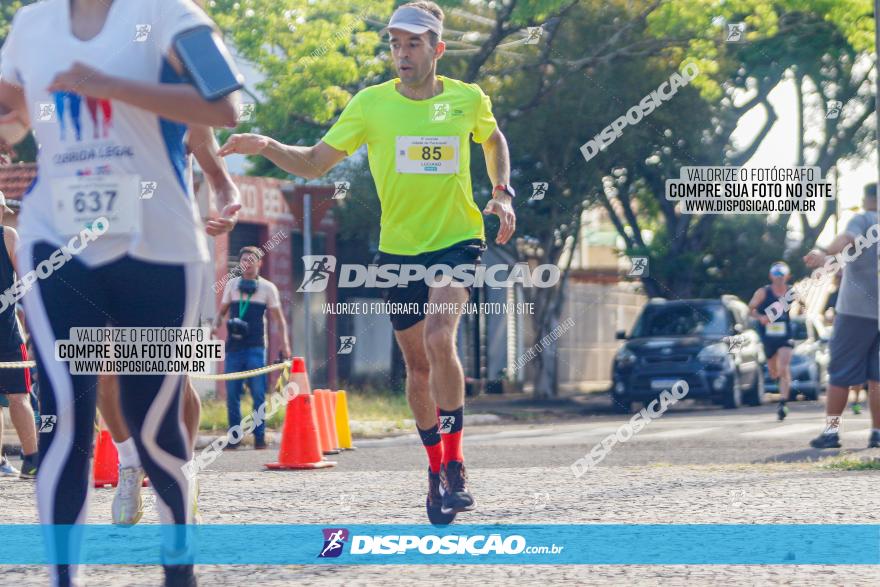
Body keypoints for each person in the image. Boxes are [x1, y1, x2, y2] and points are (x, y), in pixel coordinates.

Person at [219, 1, 515, 523]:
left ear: (437, 49)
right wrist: (266, 143)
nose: (401, 53)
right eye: (396, 44)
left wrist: (502, 192)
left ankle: (456, 463)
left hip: (457, 239)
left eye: (414, 44)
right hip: (398, 250)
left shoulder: (467, 100)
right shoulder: (371, 105)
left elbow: (493, 139)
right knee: (418, 368)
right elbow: (313, 161)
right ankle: (433, 468)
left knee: (439, 338)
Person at [0, 0, 241, 585]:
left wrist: (107, 83)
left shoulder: (168, 15)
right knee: (65, 417)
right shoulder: (32, 23)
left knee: (153, 425)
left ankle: (178, 568)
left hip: (159, 244)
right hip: (56, 238)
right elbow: (10, 117)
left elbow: (224, 104)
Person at [100, 123, 241, 526]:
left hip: (173, 253)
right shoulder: (101, 109)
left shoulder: (184, 110)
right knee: (104, 369)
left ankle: (184, 467)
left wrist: (229, 205)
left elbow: (220, 178)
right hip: (110, 251)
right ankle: (130, 464)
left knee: (172, 376)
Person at [804, 183, 880, 449]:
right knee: (877, 377)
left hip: (856, 312)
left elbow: (847, 239)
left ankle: (831, 432)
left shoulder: (864, 218)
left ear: (867, 198)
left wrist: (824, 252)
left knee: (840, 374)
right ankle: (877, 433)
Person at [213, 246, 290, 450]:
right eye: (244, 259)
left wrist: (285, 346)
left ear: (259, 263)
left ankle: (259, 437)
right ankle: (234, 438)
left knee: (258, 394)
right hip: (233, 348)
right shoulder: (231, 285)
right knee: (232, 394)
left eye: (252, 259)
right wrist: (215, 325)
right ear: (240, 263)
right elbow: (222, 312)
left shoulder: (268, 288)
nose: (248, 263)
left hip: (256, 347)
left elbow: (279, 320)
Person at [748, 262, 795, 421]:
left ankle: (783, 402)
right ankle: (779, 385)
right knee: (774, 371)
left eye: (782, 276)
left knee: (784, 367)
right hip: (768, 337)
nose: (779, 279)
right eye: (776, 276)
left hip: (785, 336)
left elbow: (802, 306)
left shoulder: (791, 292)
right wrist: (760, 317)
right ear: (771, 276)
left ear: (787, 277)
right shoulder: (763, 292)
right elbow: (751, 309)